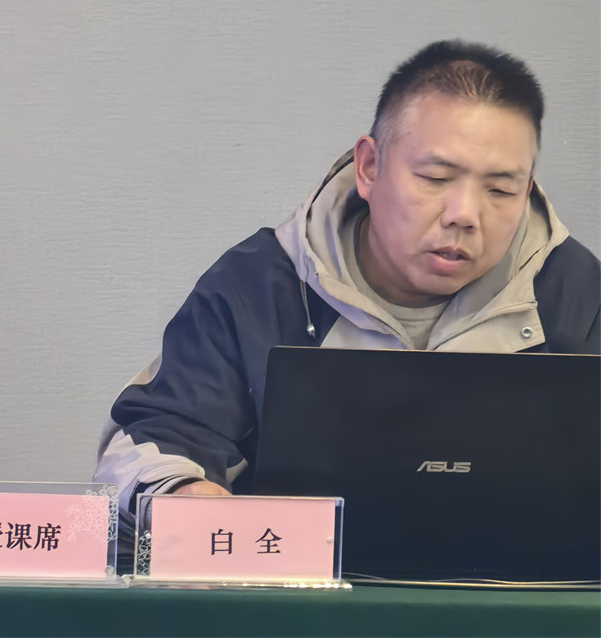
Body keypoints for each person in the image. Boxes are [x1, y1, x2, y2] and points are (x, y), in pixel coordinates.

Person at [95, 39, 600, 553]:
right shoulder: (264, 285)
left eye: (500, 189)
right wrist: (186, 495)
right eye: (436, 178)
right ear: (369, 168)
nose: (465, 214)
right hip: (295, 589)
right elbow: (160, 434)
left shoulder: (575, 294)